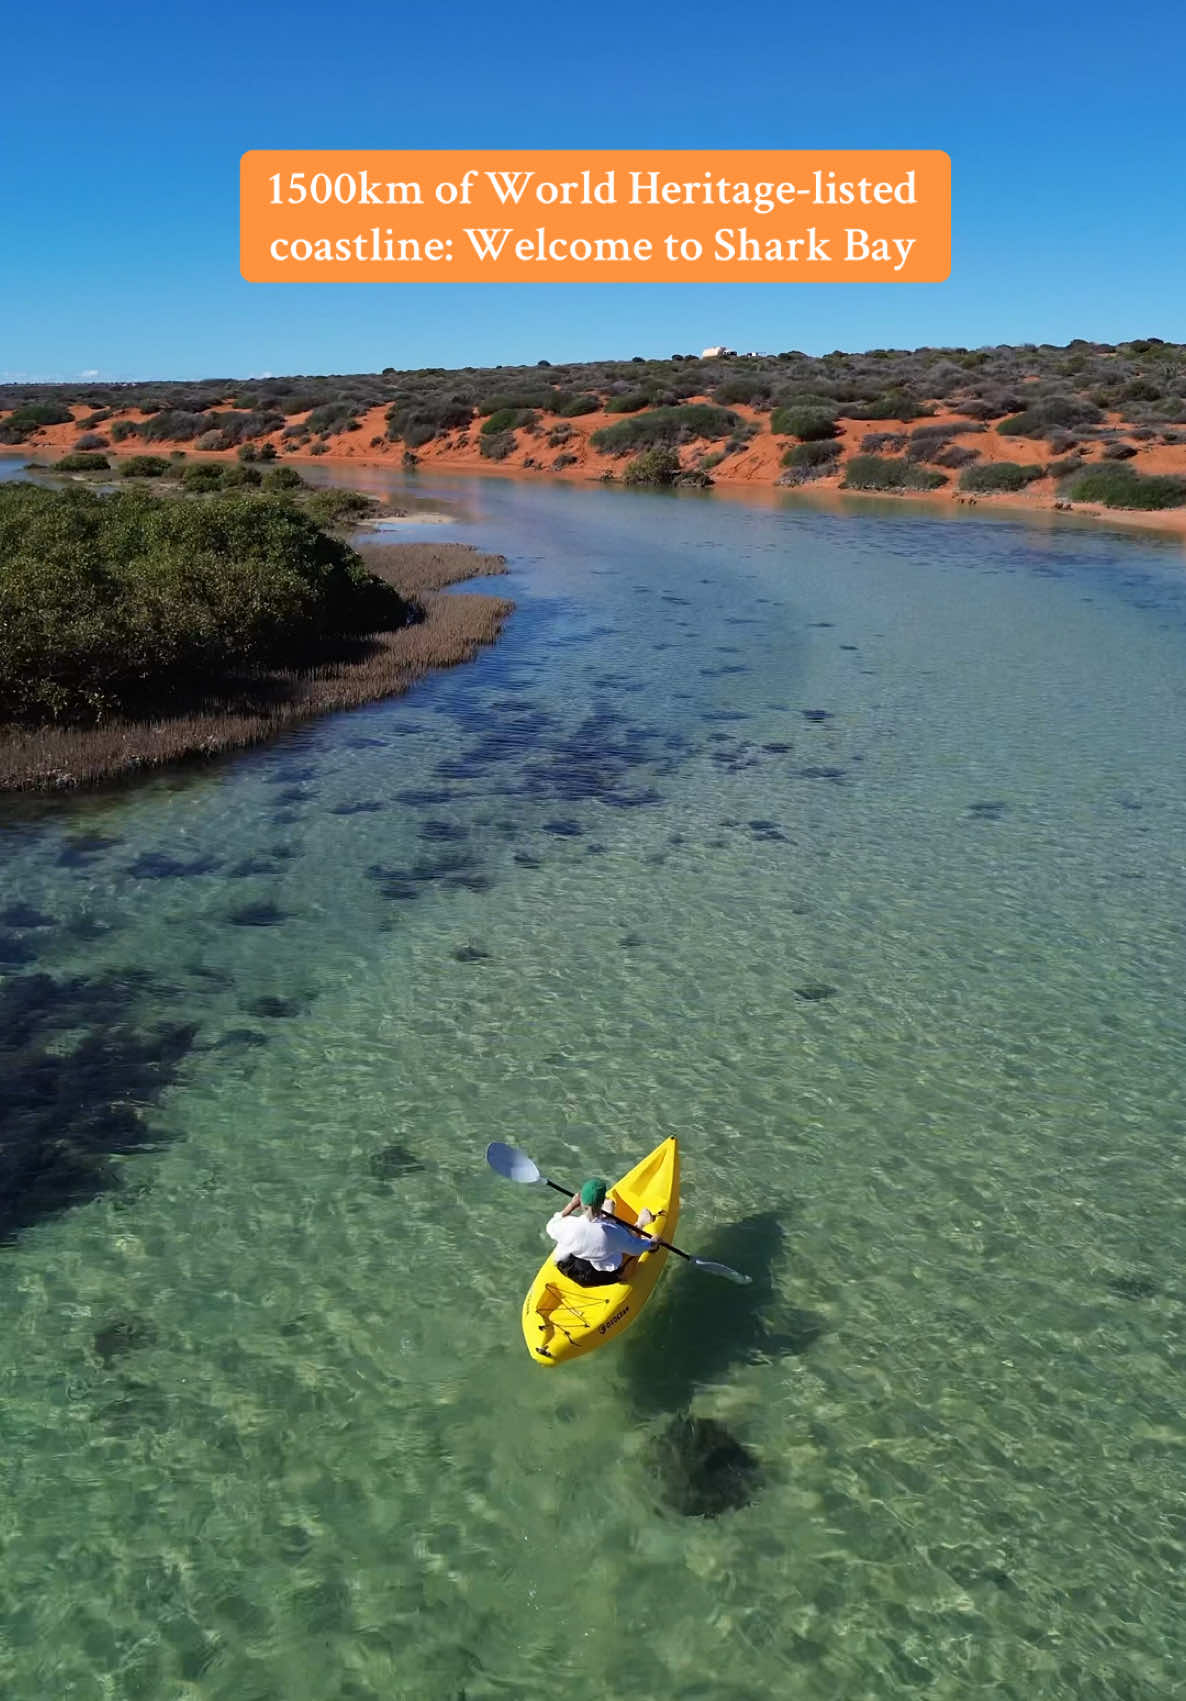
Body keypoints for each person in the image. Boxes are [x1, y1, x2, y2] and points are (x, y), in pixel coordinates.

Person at [544, 1177, 659, 1287]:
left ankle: (609, 1215)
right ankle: (640, 1223)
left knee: (611, 1235)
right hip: (592, 1276)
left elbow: (551, 1225)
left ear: (581, 1202)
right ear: (601, 1203)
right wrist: (652, 1243)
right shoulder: (611, 1232)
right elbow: (634, 1249)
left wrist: (571, 1206)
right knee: (624, 1248)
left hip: (565, 1267)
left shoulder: (567, 1224)